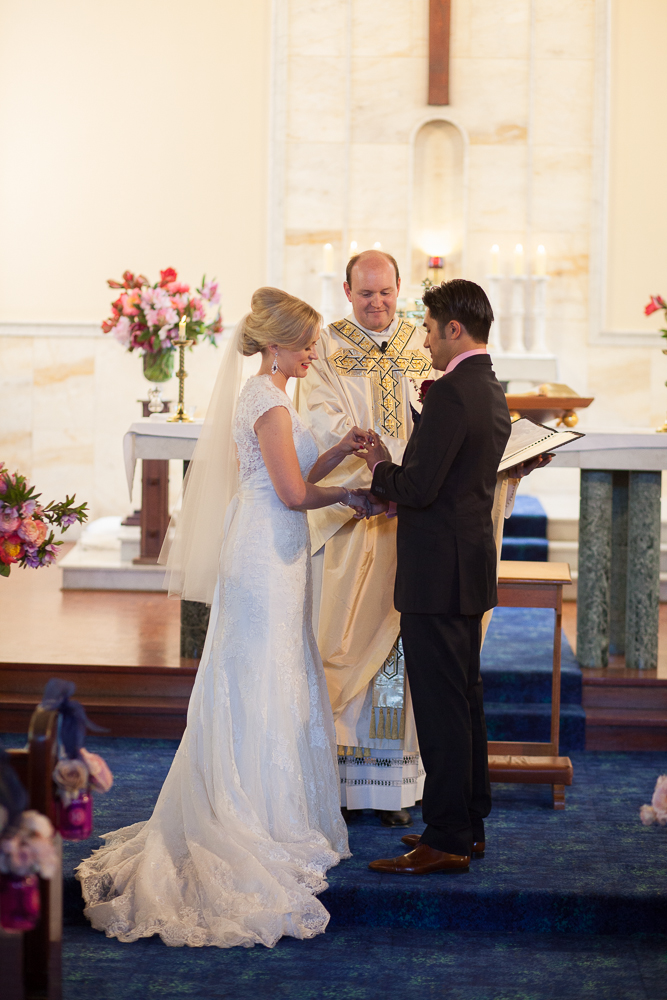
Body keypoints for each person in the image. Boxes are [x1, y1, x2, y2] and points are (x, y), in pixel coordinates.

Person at [76, 288, 371, 947]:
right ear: (276, 345)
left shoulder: (266, 395)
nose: (311, 353)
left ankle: (264, 801)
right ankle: (250, 813)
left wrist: (335, 453)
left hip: (274, 548)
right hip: (265, 555)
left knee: (272, 674)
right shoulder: (266, 400)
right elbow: (292, 494)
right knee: (259, 679)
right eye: (305, 344)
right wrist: (351, 491)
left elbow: (287, 472)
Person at [359, 279, 513, 874]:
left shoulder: (451, 393)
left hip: (437, 573)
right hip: (467, 564)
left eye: (427, 328)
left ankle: (446, 837)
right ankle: (468, 822)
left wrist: (379, 467)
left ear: (453, 328)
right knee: (464, 696)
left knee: (442, 704)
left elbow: (419, 488)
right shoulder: (489, 386)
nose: (423, 340)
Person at [294, 249, 431, 827]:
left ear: (401, 289)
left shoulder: (424, 344)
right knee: (343, 644)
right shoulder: (325, 346)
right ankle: (343, 785)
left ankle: (392, 786)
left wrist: (413, 484)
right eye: (365, 293)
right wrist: (374, 484)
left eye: (386, 292)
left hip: (413, 524)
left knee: (398, 652)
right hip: (357, 526)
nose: (377, 303)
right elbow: (322, 423)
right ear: (346, 291)